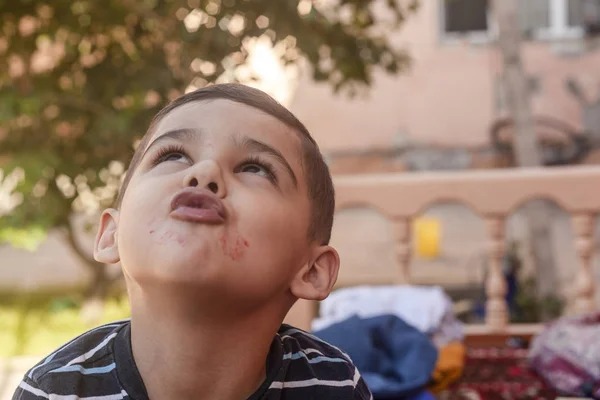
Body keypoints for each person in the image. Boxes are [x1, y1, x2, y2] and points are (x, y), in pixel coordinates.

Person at [13, 84, 372, 400]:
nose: (203, 173)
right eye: (173, 155)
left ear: (311, 271)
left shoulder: (334, 385)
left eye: (254, 168)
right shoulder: (54, 390)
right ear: (110, 235)